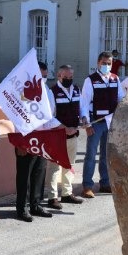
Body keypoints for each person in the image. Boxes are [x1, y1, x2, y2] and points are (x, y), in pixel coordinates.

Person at [15, 62, 59, 221]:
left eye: (46, 76)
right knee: (24, 175)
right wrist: (19, 142)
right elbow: (16, 117)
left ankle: (36, 204)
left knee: (39, 172)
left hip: (43, 138)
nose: (43, 79)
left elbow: (51, 114)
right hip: (26, 139)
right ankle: (22, 208)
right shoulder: (22, 91)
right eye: (41, 75)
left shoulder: (47, 90)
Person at [80, 51, 125, 198]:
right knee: (91, 155)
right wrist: (86, 124)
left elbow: (121, 98)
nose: (106, 66)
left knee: (106, 155)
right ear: (98, 63)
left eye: (109, 64)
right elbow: (84, 103)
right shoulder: (90, 80)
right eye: (104, 63)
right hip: (95, 121)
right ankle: (87, 185)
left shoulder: (115, 78)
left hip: (110, 122)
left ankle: (105, 183)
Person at [46, 64, 83, 210]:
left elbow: (81, 108)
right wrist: (64, 128)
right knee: (54, 167)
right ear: (59, 76)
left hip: (73, 135)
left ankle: (67, 193)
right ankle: (52, 197)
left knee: (69, 165)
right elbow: (49, 117)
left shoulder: (76, 90)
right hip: (57, 136)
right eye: (66, 77)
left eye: (71, 77)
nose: (69, 79)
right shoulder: (52, 92)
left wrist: (83, 120)